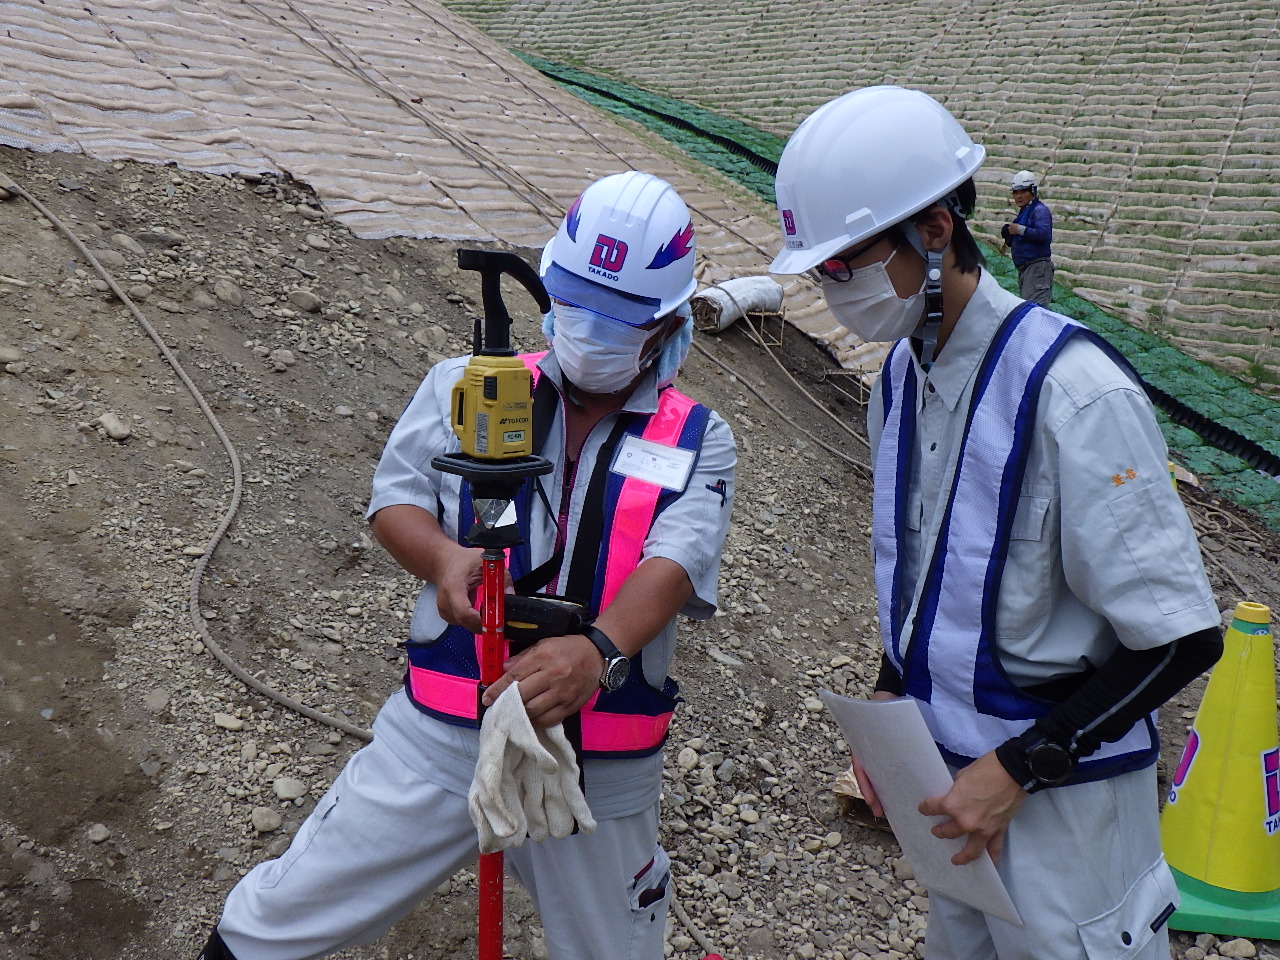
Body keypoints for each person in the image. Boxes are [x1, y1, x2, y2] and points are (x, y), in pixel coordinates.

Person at [197, 171, 736, 960]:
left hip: (601, 764)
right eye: (577, 304)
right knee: (282, 916)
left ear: (663, 324)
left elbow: (678, 560)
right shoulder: (470, 385)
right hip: (443, 734)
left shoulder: (699, 438)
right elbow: (396, 501)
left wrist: (598, 650)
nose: (591, 329)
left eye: (619, 318)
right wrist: (445, 559)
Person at [769, 85, 1223, 960]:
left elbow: (1180, 638)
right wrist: (891, 711)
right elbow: (924, 576)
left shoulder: (1073, 393)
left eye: (846, 267)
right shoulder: (903, 377)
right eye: (821, 272)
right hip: (954, 794)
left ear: (935, 232)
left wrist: (1022, 768)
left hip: (1066, 806)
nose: (834, 294)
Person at [1001, 169, 1054, 306]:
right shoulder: (1024, 212)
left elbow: (1044, 233)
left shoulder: (1039, 210)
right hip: (1026, 269)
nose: (1019, 196)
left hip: (1037, 268)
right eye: (1016, 192)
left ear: (1033, 191)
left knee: (1035, 310)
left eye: (1023, 191)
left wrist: (1019, 229)